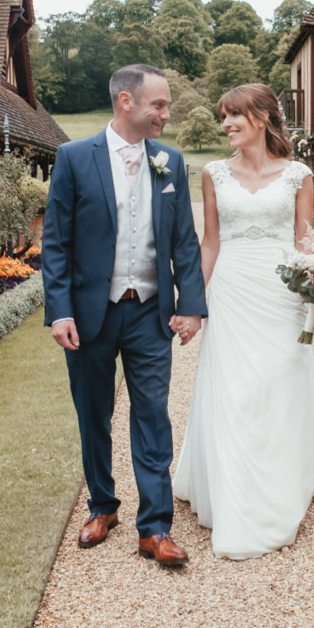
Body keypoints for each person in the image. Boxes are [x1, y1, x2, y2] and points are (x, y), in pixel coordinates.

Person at [41, 64, 206, 566]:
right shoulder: (72, 158)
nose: (166, 113)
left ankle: (154, 529)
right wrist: (59, 312)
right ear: (126, 103)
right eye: (159, 104)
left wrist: (192, 306)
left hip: (149, 313)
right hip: (92, 313)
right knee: (94, 413)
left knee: (152, 414)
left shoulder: (170, 162)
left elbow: (184, 242)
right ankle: (102, 506)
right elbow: (56, 244)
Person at [172, 83, 314, 559]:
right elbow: (211, 243)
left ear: (261, 117)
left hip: (281, 293)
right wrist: (193, 301)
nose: (226, 125)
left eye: (234, 116)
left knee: (280, 380)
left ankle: (283, 482)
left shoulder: (299, 174)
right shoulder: (214, 174)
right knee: (235, 389)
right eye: (224, 117)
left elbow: (306, 243)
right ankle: (235, 492)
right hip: (232, 290)